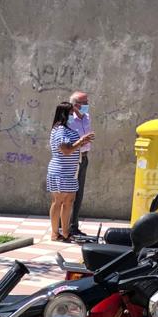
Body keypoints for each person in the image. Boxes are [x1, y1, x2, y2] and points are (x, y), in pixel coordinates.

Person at [46, 101, 93, 242]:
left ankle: (65, 233)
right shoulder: (60, 129)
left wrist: (81, 142)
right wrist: (80, 142)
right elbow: (65, 149)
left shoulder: (66, 128)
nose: (74, 115)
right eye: (72, 113)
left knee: (68, 201)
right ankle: (55, 233)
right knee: (58, 201)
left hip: (69, 172)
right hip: (60, 172)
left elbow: (70, 146)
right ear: (65, 114)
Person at [68, 90, 91, 237]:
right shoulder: (69, 119)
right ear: (76, 105)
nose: (87, 105)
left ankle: (73, 225)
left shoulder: (87, 117)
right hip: (73, 158)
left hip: (84, 157)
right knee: (68, 194)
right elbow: (66, 142)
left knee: (79, 193)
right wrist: (81, 142)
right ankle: (63, 226)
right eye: (85, 103)